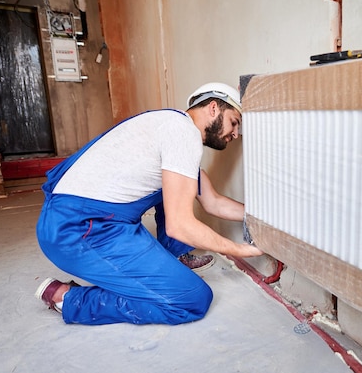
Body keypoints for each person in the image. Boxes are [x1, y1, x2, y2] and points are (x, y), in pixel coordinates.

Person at [35, 82, 263, 325]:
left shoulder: (169, 125)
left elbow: (213, 202)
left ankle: (170, 261)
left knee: (176, 191)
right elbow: (180, 225)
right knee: (192, 299)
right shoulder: (184, 135)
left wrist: (263, 217)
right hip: (80, 231)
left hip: (68, 221)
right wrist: (238, 249)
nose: (235, 134)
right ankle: (69, 299)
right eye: (234, 122)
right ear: (214, 108)